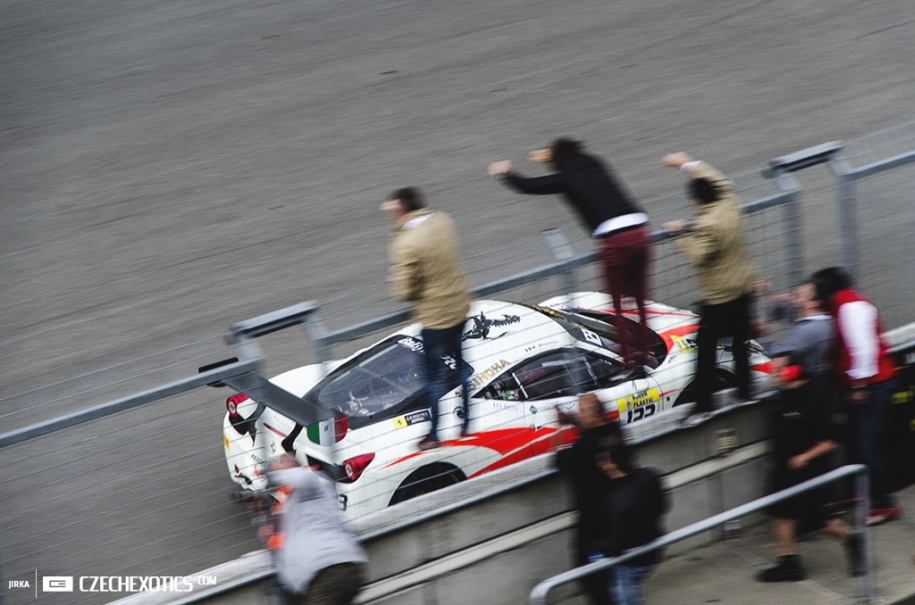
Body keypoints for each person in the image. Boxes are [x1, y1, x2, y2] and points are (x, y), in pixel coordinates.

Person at [488, 138, 653, 367]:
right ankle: (647, 348)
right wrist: (553, 156)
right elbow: (573, 161)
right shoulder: (595, 162)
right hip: (641, 231)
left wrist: (507, 173)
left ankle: (631, 361)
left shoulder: (566, 176)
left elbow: (530, 186)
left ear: (559, 159)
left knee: (617, 304)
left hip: (615, 239)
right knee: (638, 298)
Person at [661, 153, 756, 426]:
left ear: (698, 200)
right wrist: (685, 163)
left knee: (705, 349)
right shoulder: (729, 200)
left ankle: (704, 405)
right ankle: (746, 392)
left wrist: (679, 234)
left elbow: (698, 255)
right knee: (740, 342)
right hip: (743, 287)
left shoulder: (707, 224)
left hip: (720, 298)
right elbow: (718, 178)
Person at [756, 355, 864, 582]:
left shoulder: (815, 399)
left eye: (778, 369)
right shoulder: (782, 397)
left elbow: (832, 438)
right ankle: (789, 563)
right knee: (781, 514)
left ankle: (853, 539)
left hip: (811, 472)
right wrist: (776, 458)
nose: (772, 373)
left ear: (793, 372)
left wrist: (805, 456)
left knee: (817, 521)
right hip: (785, 470)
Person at [382, 187, 472, 450]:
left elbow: (404, 292)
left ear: (401, 210)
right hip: (459, 307)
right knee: (462, 370)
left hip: (435, 318)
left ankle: (434, 435)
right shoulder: (443, 220)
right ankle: (466, 425)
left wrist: (396, 279)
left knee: (433, 379)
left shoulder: (406, 243)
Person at [811, 267, 901, 526]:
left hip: (873, 385)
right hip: (869, 383)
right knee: (856, 440)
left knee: (868, 445)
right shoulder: (846, 305)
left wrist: (859, 386)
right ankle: (859, 491)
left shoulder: (850, 308)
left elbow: (863, 349)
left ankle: (885, 503)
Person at [266, 453, 368, 605]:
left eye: (280, 462)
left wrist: (272, 475)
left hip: (329, 571)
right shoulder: (293, 502)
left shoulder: (312, 484)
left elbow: (302, 477)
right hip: (325, 574)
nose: (276, 465)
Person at [554, 394, 621, 605]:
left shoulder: (583, 447)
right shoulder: (614, 430)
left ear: (593, 417)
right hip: (615, 516)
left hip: (591, 525)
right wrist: (573, 420)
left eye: (582, 412)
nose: (579, 415)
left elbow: (558, 461)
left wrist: (559, 429)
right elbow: (593, 428)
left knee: (590, 576)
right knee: (613, 573)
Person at [592, 437, 667, 605]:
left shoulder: (618, 502)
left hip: (630, 563)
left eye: (602, 459)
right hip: (653, 550)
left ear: (612, 464)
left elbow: (615, 546)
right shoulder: (650, 476)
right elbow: (662, 507)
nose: (599, 464)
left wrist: (594, 545)